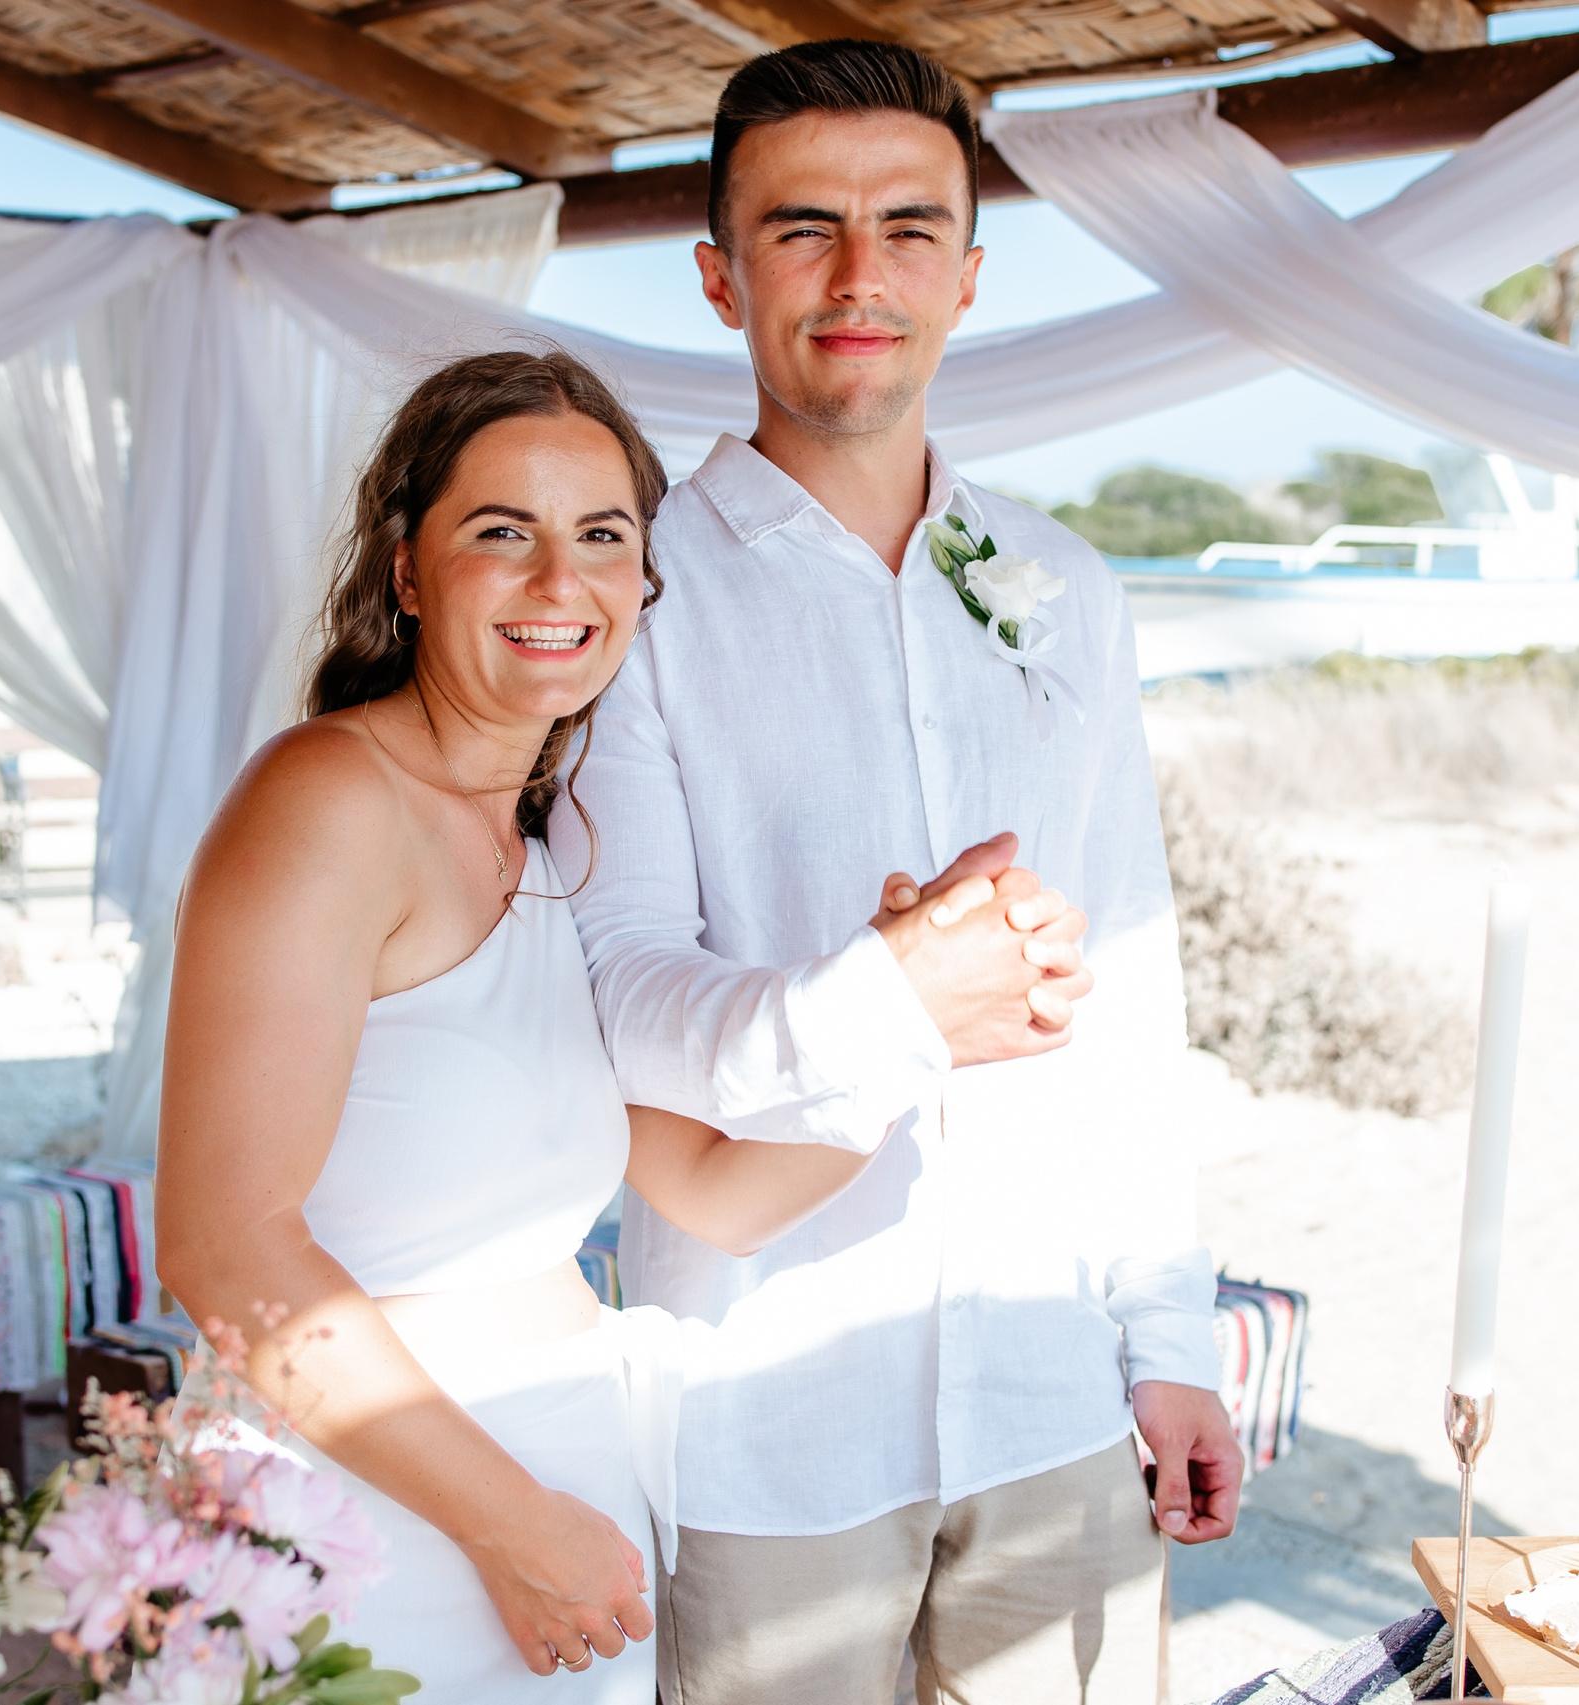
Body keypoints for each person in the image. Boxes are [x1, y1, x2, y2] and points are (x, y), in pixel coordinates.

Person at [545, 40, 1244, 1705]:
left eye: (911, 227)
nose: (862, 277)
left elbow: (1131, 1003)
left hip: (1052, 1393)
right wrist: (885, 1005)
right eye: (803, 229)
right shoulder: (635, 599)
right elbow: (617, 990)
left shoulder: (1067, 587)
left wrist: (1168, 1341)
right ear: (720, 275)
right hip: (763, 1416)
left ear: (970, 274)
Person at [154, 349, 948, 1702]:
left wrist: (911, 1013)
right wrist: (509, 1523)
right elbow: (224, 1247)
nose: (557, 583)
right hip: (381, 1518)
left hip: (560, 1498)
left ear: (644, 580)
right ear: (406, 570)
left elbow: (713, 1187)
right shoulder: (329, 800)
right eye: (499, 534)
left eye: (601, 538)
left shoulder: (553, 837)